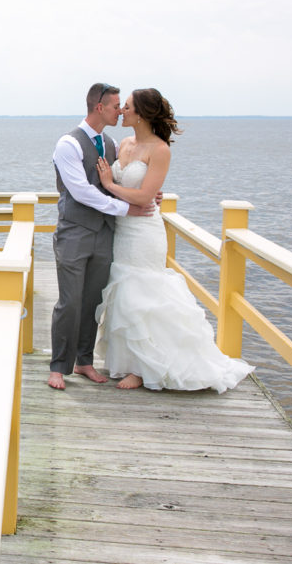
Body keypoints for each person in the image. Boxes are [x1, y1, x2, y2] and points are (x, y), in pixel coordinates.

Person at [93, 88, 253, 392]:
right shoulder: (123, 144)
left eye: (126, 107)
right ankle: (130, 362)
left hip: (144, 233)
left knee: (144, 294)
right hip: (121, 230)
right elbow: (133, 190)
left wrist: (110, 184)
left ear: (140, 114)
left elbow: (142, 196)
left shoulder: (160, 150)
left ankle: (144, 369)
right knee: (124, 293)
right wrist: (112, 186)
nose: (121, 111)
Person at [48, 83, 155, 391]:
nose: (120, 111)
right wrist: (125, 208)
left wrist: (147, 194)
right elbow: (80, 191)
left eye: (123, 106)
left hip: (105, 234)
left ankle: (83, 361)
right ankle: (58, 366)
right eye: (115, 106)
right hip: (75, 233)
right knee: (70, 301)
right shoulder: (68, 143)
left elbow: (118, 180)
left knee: (93, 302)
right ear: (99, 107)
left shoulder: (110, 143)